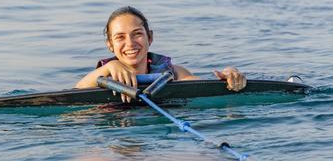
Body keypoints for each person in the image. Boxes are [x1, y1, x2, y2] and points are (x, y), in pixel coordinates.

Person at [75, 6, 246, 102]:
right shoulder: (101, 75)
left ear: (150, 37)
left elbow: (205, 86)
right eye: (120, 37)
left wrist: (230, 76)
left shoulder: (174, 73)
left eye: (137, 34)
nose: (130, 43)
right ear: (110, 45)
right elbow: (75, 91)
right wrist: (110, 67)